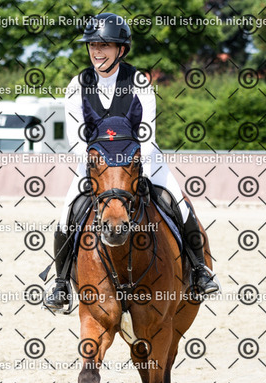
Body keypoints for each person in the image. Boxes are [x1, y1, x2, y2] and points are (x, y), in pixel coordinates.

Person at [44, 13, 219, 311]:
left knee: (178, 202)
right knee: (67, 213)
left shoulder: (138, 82)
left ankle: (200, 271)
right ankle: (61, 284)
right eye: (93, 45)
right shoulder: (77, 84)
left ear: (121, 49)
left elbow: (147, 134)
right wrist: (97, 167)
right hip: (96, 165)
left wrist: (136, 168)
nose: (97, 51)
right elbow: (76, 139)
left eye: (104, 45)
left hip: (140, 160)